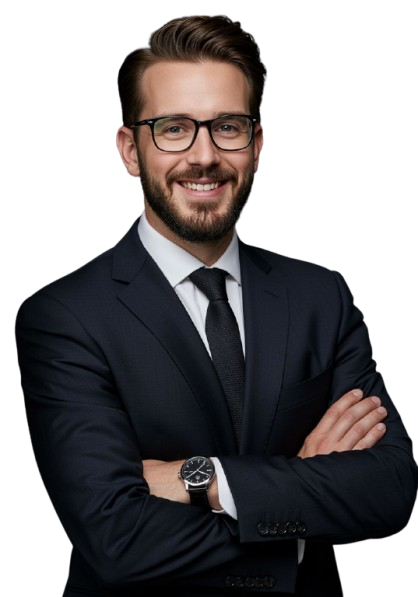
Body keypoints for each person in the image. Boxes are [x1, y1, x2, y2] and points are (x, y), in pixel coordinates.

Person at [15, 14, 417, 596]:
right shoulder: (63, 316)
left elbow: (391, 488)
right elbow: (116, 538)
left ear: (256, 145)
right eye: (174, 128)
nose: (203, 155)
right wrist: (300, 511)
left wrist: (202, 480)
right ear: (130, 150)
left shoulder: (320, 296)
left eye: (227, 126)